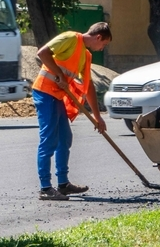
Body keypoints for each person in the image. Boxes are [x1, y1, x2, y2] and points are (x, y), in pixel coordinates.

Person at [32, 22, 112, 201]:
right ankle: (45, 187)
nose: (102, 48)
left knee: (65, 138)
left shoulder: (86, 55)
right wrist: (59, 74)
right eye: (104, 44)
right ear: (98, 37)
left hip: (58, 96)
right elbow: (42, 53)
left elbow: (88, 85)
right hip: (45, 93)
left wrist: (98, 117)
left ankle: (63, 184)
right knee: (49, 140)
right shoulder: (70, 38)